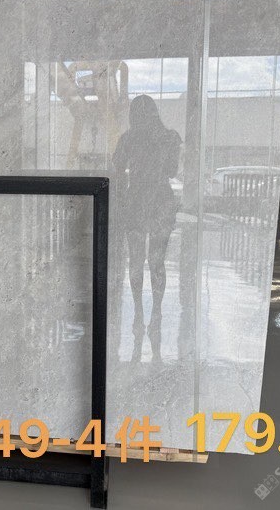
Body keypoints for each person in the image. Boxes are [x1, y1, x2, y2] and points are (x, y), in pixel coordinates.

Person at [112, 95, 182, 362]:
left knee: (136, 261)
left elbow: (118, 170)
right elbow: (172, 171)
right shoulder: (170, 138)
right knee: (157, 262)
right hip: (161, 200)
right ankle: (157, 312)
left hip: (136, 200)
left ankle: (139, 313)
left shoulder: (128, 139)